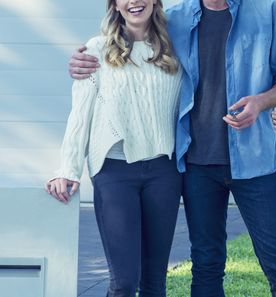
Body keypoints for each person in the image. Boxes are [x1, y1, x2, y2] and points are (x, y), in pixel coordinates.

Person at [69, 0, 276, 296]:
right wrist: (87, 59)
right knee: (206, 266)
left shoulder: (270, 9)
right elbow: (135, 48)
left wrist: (262, 102)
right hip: (196, 166)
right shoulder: (175, 19)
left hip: (255, 161)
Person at [46, 0, 183, 296]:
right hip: (114, 171)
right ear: (115, 5)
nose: (135, 1)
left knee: (155, 282)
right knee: (124, 282)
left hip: (164, 172)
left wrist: (265, 110)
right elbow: (80, 113)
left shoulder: (175, 48)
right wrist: (67, 169)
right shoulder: (97, 49)